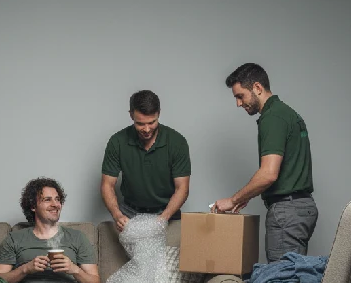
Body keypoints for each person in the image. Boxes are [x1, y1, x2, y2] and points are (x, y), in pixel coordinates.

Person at [213, 63, 318, 262]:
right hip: (301, 208)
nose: (238, 103)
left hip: (287, 211)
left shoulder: (273, 117)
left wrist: (233, 200)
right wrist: (249, 195)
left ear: (257, 88)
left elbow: (269, 173)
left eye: (240, 96)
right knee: (289, 277)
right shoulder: (287, 113)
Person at [101, 90, 191, 231]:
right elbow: (107, 185)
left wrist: (163, 218)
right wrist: (117, 215)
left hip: (167, 212)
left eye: (152, 122)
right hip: (130, 213)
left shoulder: (177, 142)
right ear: (131, 115)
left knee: (171, 253)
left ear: (159, 114)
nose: (147, 129)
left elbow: (182, 188)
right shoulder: (117, 142)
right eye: (140, 124)